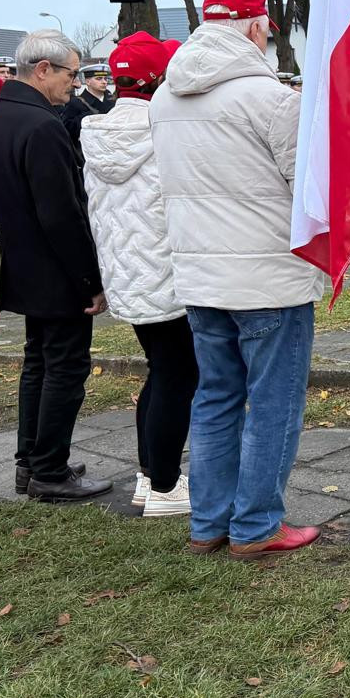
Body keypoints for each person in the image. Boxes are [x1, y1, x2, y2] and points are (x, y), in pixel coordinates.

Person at [150, 0, 322, 560]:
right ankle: (256, 524)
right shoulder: (272, 99)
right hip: (267, 275)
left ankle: (209, 522)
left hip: (200, 273)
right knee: (273, 400)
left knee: (215, 397)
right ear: (256, 28)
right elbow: (308, 192)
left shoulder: (164, 99)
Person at [0, 30, 111, 501]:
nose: (75, 84)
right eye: (72, 74)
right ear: (43, 69)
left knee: (38, 365)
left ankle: (30, 462)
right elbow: (62, 213)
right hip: (57, 270)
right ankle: (50, 470)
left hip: (23, 260)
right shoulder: (43, 126)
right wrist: (90, 280)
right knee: (66, 369)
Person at [80, 31, 196, 518]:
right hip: (166, 271)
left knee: (162, 372)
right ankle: (166, 485)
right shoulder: (163, 130)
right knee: (178, 376)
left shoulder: (96, 133)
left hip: (127, 271)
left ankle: (152, 475)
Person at [62, 63, 114, 160]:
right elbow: (67, 130)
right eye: (99, 79)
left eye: (105, 79)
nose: (104, 82)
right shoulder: (76, 103)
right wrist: (85, 117)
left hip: (111, 150)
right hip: (89, 154)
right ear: (88, 81)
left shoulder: (112, 101)